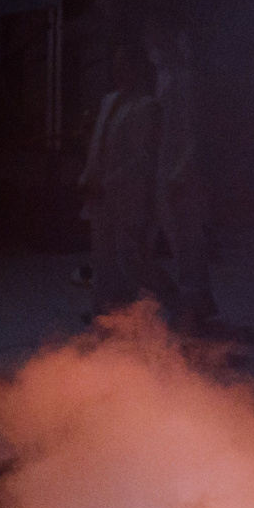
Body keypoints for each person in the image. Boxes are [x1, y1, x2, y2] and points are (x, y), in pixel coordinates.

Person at [143, 12, 219, 330]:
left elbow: (192, 131)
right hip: (166, 167)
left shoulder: (183, 79)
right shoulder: (165, 75)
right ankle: (189, 303)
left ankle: (193, 305)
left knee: (186, 239)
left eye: (155, 32)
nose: (150, 40)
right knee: (175, 238)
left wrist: (180, 171)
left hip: (178, 171)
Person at [79, 41, 163, 317]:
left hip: (127, 196)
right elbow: (99, 146)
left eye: (124, 65)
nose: (118, 71)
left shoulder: (146, 106)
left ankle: (136, 316)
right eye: (116, 65)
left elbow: (142, 158)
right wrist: (87, 178)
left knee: (128, 258)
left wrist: (107, 184)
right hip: (100, 194)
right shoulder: (109, 101)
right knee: (102, 258)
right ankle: (105, 314)